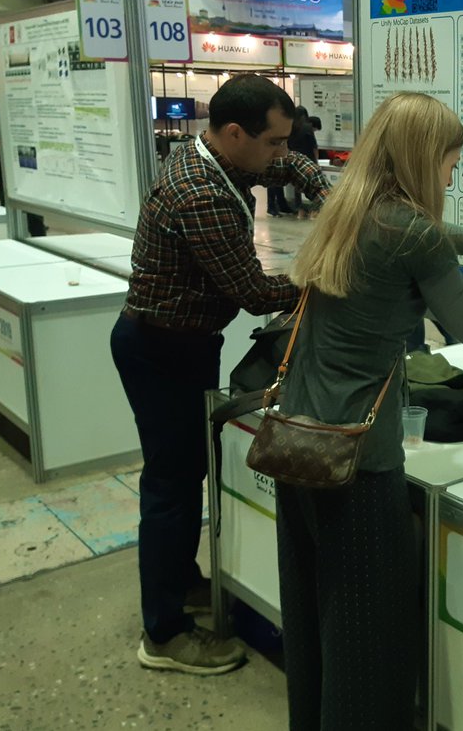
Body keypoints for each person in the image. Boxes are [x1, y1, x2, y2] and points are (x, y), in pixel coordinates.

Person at [277, 91, 463, 730]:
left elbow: (434, 235)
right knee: (369, 646)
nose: (450, 177)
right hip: (360, 466)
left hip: (300, 443)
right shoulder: (409, 232)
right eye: (450, 163)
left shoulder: (349, 208)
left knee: (314, 625)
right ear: (424, 158)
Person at [111, 73, 331, 675]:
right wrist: (324, 281)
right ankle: (164, 634)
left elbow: (284, 168)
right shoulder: (200, 192)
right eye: (274, 141)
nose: (281, 153)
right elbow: (254, 292)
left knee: (187, 473)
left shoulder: (220, 156)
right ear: (235, 132)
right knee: (173, 486)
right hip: (162, 351)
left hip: (183, 343)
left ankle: (180, 581)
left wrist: (321, 185)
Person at [0, 88, 47, 236]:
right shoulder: (24, 115)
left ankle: (13, 232)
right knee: (31, 198)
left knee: (6, 197)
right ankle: (38, 232)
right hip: (26, 161)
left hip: (1, 164)